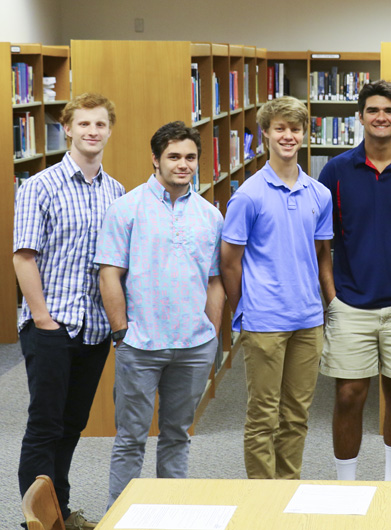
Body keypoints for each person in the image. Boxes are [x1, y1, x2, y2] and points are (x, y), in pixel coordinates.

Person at [96, 121, 224, 507]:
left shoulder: (210, 215)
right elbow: (109, 273)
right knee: (131, 437)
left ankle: (171, 512)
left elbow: (215, 280)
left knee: (177, 434)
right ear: (155, 159)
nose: (182, 164)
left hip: (193, 346)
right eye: (173, 156)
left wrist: (212, 333)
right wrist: (121, 332)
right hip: (140, 343)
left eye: (190, 157)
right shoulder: (126, 208)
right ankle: (120, 514)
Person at [13, 93, 124, 529]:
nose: (92, 132)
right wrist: (43, 319)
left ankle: (59, 511)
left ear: (109, 131)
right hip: (51, 325)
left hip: (95, 329)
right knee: (44, 425)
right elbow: (24, 257)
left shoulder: (116, 192)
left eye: (100, 124)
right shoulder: (41, 185)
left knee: (72, 424)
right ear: (68, 129)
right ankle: (35, 522)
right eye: (84, 124)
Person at [319, 80, 391, 481]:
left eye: (388, 110)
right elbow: (323, 242)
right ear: (360, 116)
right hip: (350, 304)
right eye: (372, 110)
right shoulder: (336, 170)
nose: (380, 117)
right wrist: (332, 298)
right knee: (349, 395)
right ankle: (346, 486)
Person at [221, 96, 333, 479]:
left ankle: (287, 489)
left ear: (304, 134)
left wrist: (325, 305)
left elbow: (321, 256)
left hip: (307, 318)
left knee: (297, 415)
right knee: (263, 415)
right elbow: (230, 262)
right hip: (265, 319)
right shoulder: (248, 195)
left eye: (295, 129)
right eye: (280, 128)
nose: (288, 136)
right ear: (265, 133)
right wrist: (241, 310)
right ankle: (261, 498)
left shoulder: (320, 194)